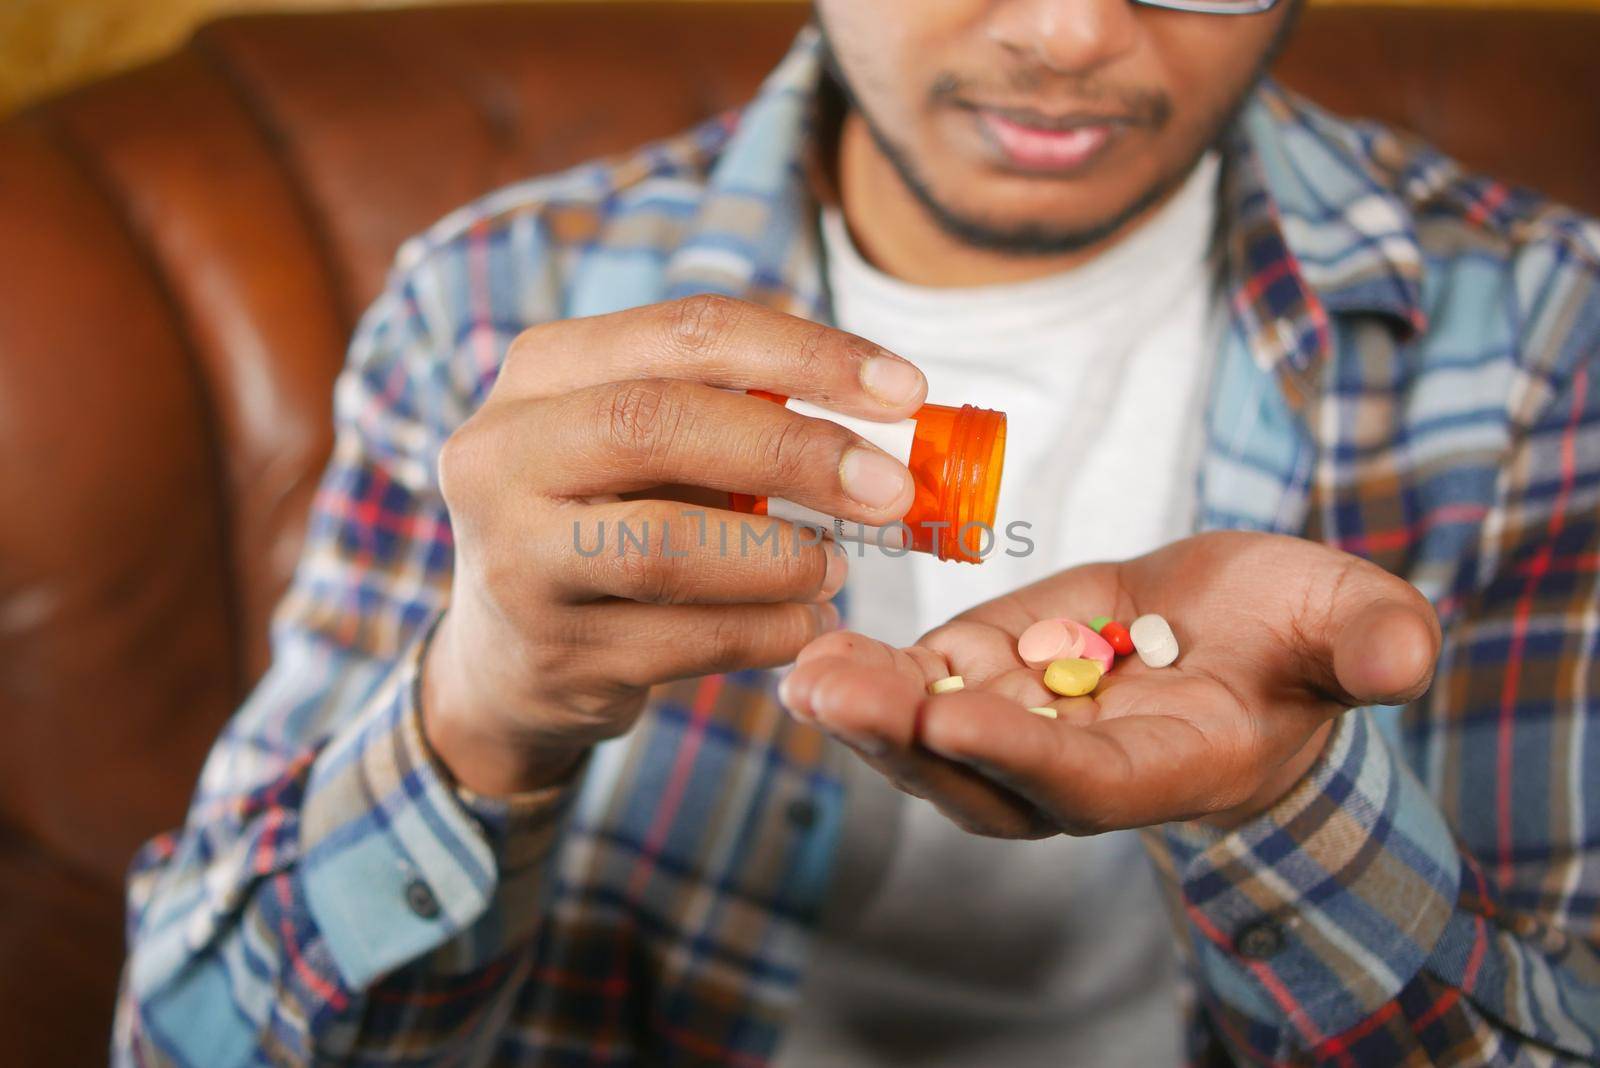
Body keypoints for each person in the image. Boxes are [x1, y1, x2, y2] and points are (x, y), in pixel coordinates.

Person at [116, 0, 1600, 1064]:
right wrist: (478, 719)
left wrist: (1291, 807)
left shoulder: (1546, 333)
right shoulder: (491, 309)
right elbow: (188, 1042)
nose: (1074, 33)